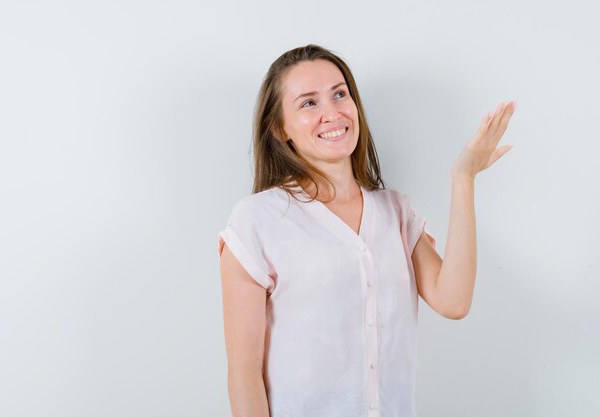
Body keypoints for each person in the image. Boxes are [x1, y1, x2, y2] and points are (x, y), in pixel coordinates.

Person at [217, 44, 515, 417]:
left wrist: (464, 178)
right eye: (308, 103)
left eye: (339, 94)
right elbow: (244, 373)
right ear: (280, 128)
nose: (332, 112)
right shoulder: (256, 220)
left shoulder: (395, 211)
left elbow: (453, 301)